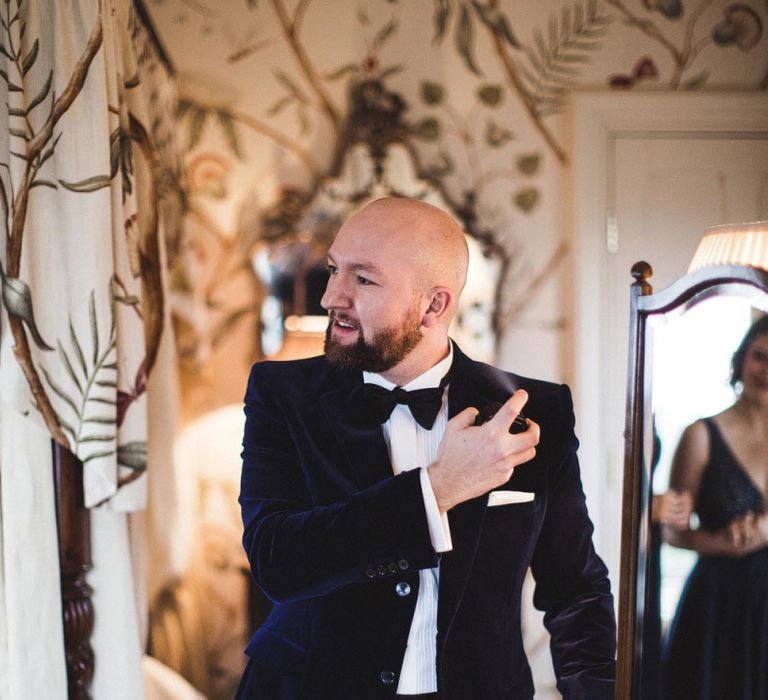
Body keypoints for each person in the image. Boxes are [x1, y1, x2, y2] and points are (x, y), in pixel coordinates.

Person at [236, 197, 616, 699]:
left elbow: (575, 589)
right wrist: (434, 490)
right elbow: (276, 561)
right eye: (333, 270)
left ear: (434, 306)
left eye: (363, 280)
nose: (331, 297)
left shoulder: (531, 410)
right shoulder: (281, 394)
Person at [662, 315, 768, 700]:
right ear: (741, 359)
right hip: (722, 607)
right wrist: (724, 544)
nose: (766, 370)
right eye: (759, 356)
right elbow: (673, 530)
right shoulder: (700, 435)